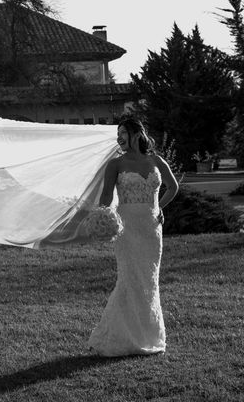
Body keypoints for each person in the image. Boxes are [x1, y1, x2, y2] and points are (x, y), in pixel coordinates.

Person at [88, 116, 179, 357]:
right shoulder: (115, 165)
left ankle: (147, 336)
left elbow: (173, 187)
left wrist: (159, 208)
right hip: (126, 228)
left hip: (151, 229)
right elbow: (106, 198)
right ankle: (121, 338)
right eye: (118, 134)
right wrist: (102, 218)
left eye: (123, 133)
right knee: (129, 279)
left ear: (137, 134)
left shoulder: (156, 160)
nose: (119, 138)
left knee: (149, 281)